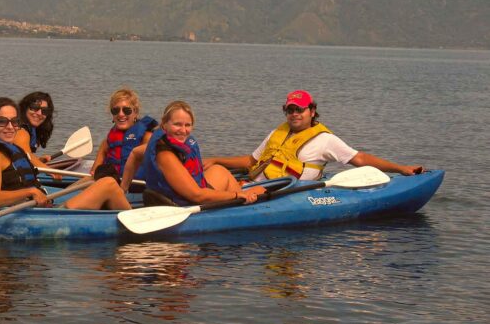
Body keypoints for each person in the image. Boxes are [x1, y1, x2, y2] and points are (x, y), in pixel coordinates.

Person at [203, 90, 424, 181]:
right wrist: (215, 159)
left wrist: (401, 168)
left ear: (312, 111)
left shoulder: (325, 140)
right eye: (290, 110)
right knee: (215, 171)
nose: (295, 114)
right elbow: (250, 161)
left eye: (300, 109)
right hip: (253, 185)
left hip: (282, 193)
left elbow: (360, 159)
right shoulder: (276, 133)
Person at [0, 97, 130, 210]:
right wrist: (31, 191)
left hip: (45, 202)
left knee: (93, 179)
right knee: (108, 182)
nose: (10, 127)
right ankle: (131, 220)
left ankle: (112, 208)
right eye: (2, 121)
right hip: (40, 211)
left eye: (14, 122)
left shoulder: (10, 147)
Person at [120, 101, 266, 206]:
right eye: (177, 124)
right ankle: (246, 202)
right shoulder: (166, 155)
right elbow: (197, 195)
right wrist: (237, 195)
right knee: (251, 188)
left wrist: (123, 189)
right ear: (164, 124)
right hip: (183, 202)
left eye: (187, 125)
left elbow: (134, 154)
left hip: (180, 194)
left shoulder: (160, 140)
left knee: (219, 170)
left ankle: (244, 198)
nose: (183, 130)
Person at [89, 88, 157, 185]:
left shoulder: (147, 138)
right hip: (110, 186)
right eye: (115, 110)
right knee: (88, 181)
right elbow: (93, 173)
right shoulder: (107, 143)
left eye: (127, 110)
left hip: (137, 188)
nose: (121, 114)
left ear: (135, 113)